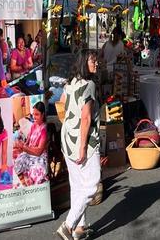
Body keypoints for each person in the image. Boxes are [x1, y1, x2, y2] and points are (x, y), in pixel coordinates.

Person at [56, 50, 101, 240]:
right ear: (84, 62)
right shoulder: (89, 85)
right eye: (93, 61)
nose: (96, 64)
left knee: (77, 185)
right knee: (91, 183)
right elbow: (86, 118)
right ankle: (68, 224)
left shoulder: (71, 82)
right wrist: (82, 146)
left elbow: (61, 104)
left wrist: (68, 124)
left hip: (67, 138)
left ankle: (79, 228)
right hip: (84, 141)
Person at [14, 101, 48, 186]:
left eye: (37, 114)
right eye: (33, 114)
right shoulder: (33, 125)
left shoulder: (44, 129)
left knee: (36, 171)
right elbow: (27, 141)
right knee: (17, 162)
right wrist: (22, 145)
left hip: (39, 157)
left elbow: (39, 151)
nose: (34, 117)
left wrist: (24, 148)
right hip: (29, 153)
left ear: (43, 114)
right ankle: (24, 182)